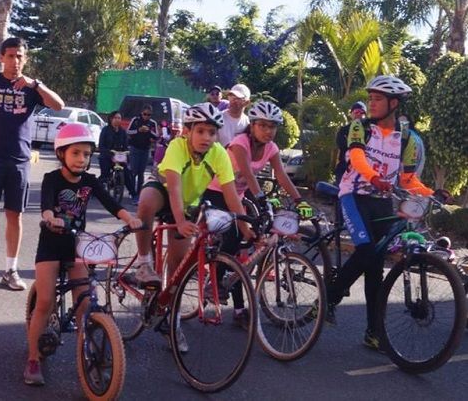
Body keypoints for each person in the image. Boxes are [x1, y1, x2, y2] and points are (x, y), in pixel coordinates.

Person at [326, 75, 439, 351]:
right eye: (371, 98)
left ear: (393, 103)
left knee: (375, 265)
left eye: (377, 99)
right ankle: (330, 296)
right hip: (353, 196)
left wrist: (432, 194)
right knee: (365, 250)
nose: (371, 103)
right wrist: (374, 177)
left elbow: (409, 180)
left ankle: (373, 331)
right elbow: (356, 157)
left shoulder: (408, 139)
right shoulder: (360, 127)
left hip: (381, 202)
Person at [23, 123, 141, 386]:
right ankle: (33, 359)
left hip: (78, 245)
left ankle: (86, 353)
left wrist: (129, 218)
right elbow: (46, 204)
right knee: (44, 302)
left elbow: (111, 204)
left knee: (86, 304)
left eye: (87, 154)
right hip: (51, 245)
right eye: (76, 153)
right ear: (62, 153)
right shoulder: (52, 179)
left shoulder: (90, 181)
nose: (81, 159)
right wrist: (50, 217)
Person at [132, 103, 254, 352]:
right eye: (200, 131)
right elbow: (174, 187)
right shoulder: (177, 146)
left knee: (178, 268)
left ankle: (172, 322)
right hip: (164, 192)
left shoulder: (219, 153)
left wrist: (244, 226)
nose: (206, 137)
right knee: (145, 203)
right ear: (188, 131)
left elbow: (232, 195)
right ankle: (144, 262)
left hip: (188, 204)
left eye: (212, 132)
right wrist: (180, 221)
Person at [0, 37, 64, 291]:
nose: (15, 61)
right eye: (10, 56)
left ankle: (10, 270)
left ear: (25, 59)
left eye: (20, 56)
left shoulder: (31, 88)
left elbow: (58, 105)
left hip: (19, 159)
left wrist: (36, 84)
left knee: (15, 215)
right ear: (2, 58)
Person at [203, 100, 311, 328]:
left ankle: (238, 303)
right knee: (233, 237)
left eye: (272, 127)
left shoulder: (271, 148)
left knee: (248, 246)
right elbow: (247, 174)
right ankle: (213, 282)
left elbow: (282, 176)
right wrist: (261, 198)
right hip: (215, 192)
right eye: (263, 125)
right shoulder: (240, 143)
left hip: (240, 195)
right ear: (252, 125)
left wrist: (300, 201)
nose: (268, 131)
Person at [97, 110, 135, 199]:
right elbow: (101, 146)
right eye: (115, 118)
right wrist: (109, 153)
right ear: (111, 119)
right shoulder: (105, 130)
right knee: (105, 174)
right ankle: (97, 188)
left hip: (119, 157)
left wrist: (126, 155)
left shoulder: (122, 132)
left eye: (119, 118)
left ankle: (134, 195)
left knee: (126, 174)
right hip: (107, 156)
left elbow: (126, 146)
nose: (117, 120)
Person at [126, 104, 158, 197]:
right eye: (145, 114)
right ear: (141, 113)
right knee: (134, 170)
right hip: (134, 148)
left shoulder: (152, 123)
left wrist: (149, 131)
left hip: (145, 149)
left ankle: (139, 192)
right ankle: (131, 191)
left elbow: (156, 136)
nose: (146, 116)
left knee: (141, 172)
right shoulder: (135, 120)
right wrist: (138, 130)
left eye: (149, 115)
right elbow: (128, 131)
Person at [334, 101, 367, 185]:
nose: (359, 114)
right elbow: (342, 145)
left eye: (362, 112)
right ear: (351, 114)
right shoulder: (343, 130)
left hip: (362, 170)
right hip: (344, 168)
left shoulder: (370, 131)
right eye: (356, 112)